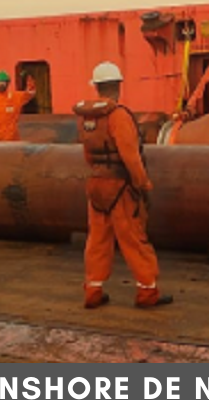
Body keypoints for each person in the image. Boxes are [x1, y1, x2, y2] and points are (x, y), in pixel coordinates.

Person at [73, 61, 172, 310]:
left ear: (96, 87)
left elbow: (87, 155)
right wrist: (142, 184)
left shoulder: (86, 118)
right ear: (118, 86)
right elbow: (131, 156)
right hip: (120, 187)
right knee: (133, 238)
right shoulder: (118, 116)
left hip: (96, 184)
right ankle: (147, 292)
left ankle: (93, 290)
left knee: (97, 239)